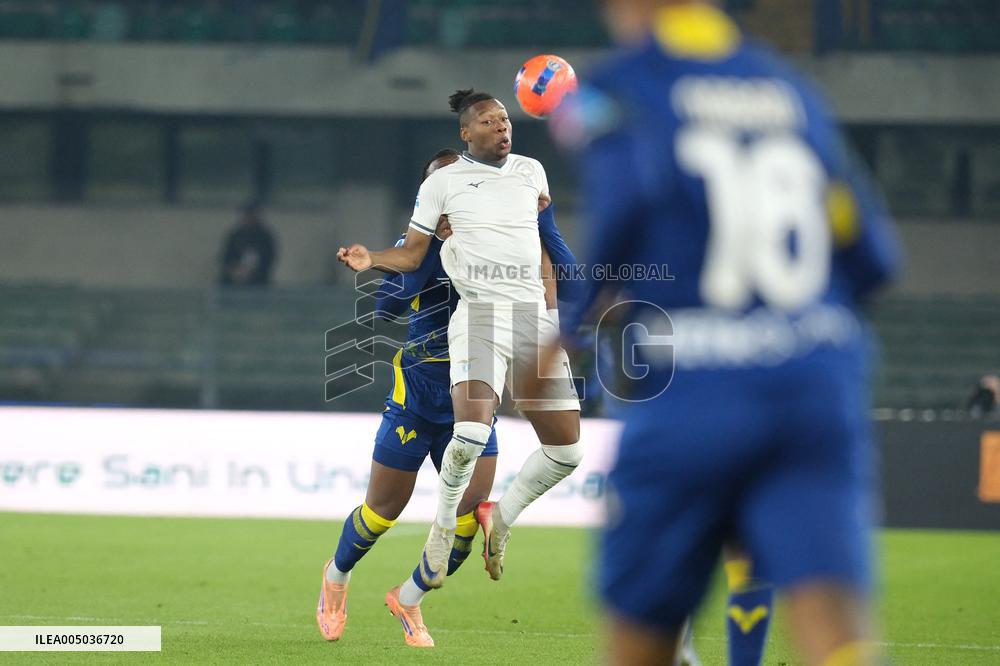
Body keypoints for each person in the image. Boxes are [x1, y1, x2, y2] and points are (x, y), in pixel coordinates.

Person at [547, 2, 901, 665]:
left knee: (642, 627)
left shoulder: (617, 86)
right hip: (813, 382)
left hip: (692, 384)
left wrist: (570, 325)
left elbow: (623, 200)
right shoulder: (790, 89)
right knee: (832, 613)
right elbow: (875, 260)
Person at [324, 146, 581, 648]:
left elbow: (565, 281)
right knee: (382, 511)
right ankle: (336, 576)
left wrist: (543, 223)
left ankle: (409, 598)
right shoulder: (417, 244)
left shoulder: (507, 237)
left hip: (476, 391)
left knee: (467, 521)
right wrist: (419, 258)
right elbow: (385, 310)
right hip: (421, 393)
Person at [219, 203, 276, 286]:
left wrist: (252, 272)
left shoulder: (265, 237)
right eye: (246, 215)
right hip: (233, 279)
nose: (248, 218)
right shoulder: (235, 236)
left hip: (259, 280)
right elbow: (226, 257)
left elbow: (268, 259)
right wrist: (235, 269)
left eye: (251, 215)